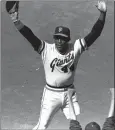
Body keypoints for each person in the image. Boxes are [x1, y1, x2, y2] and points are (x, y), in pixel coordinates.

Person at [5, 1, 107, 130]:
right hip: (51, 95)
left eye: (63, 38)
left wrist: (103, 14)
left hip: (69, 93)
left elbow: (95, 33)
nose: (59, 41)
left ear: (68, 39)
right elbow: (29, 36)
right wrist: (16, 21)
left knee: (76, 123)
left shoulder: (75, 48)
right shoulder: (46, 49)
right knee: (42, 127)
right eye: (57, 37)